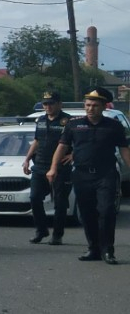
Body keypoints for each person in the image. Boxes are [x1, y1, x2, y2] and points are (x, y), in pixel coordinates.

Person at [50, 88, 130, 264]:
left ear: (103, 107)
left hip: (105, 174)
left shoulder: (114, 126)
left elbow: (124, 150)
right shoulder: (73, 124)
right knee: (87, 213)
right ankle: (93, 248)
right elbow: (62, 147)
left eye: (95, 105)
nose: (90, 108)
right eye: (87, 105)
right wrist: (53, 168)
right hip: (82, 174)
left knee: (107, 210)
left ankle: (108, 250)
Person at [25, 90, 72, 245]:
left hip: (61, 167)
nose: (48, 107)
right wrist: (27, 159)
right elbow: (37, 141)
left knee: (60, 202)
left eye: (51, 103)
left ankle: (57, 235)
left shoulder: (68, 121)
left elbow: (80, 142)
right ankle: (41, 230)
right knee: (34, 197)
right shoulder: (40, 120)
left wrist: (73, 155)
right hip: (40, 165)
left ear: (59, 104)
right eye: (45, 104)